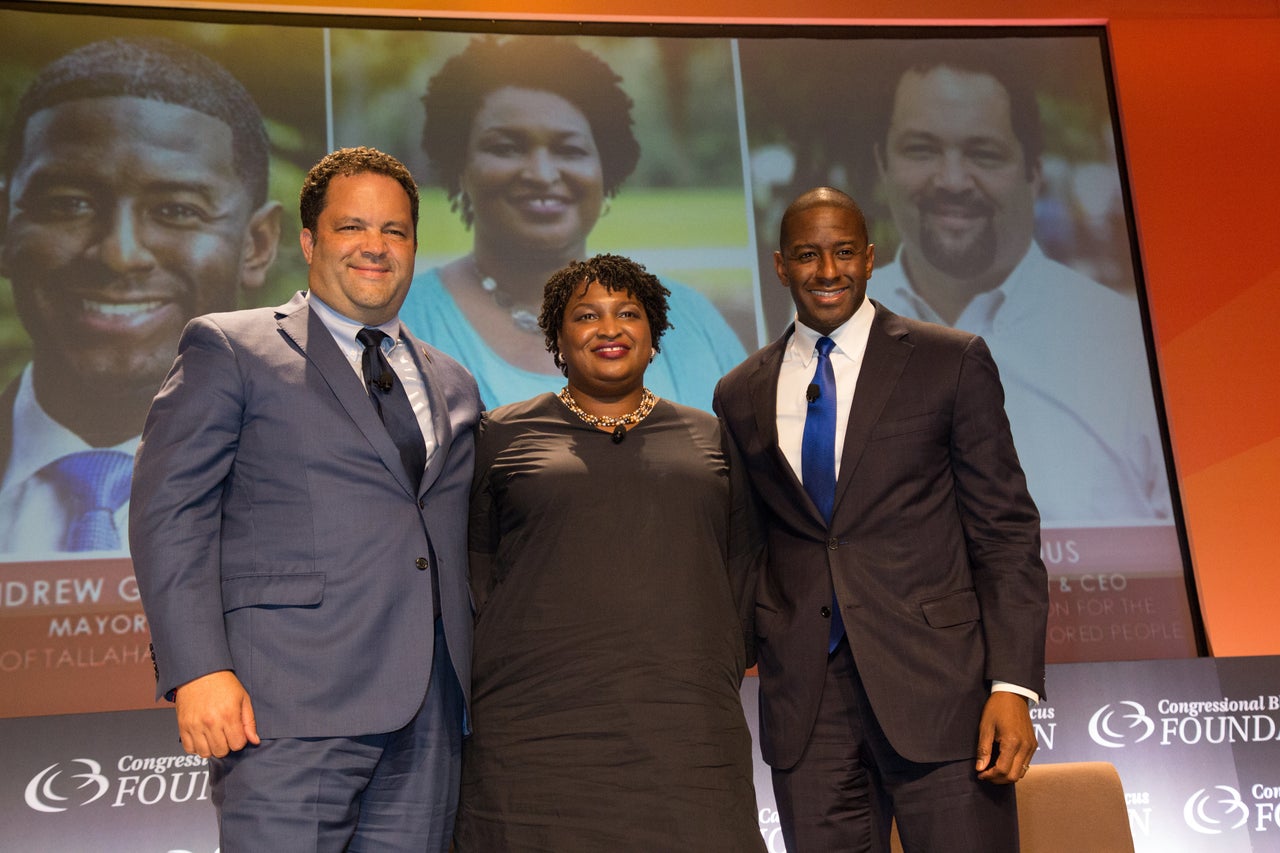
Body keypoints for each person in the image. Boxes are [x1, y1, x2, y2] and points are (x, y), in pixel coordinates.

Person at [130, 147, 481, 851]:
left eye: (395, 231)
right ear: (309, 241)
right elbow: (169, 511)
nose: (375, 247)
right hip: (284, 709)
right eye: (352, 227)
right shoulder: (231, 347)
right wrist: (199, 668)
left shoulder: (453, 381)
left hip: (432, 715)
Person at [715, 187, 1048, 853]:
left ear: (870, 258)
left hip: (943, 691)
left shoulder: (948, 360)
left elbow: (1004, 530)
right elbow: (747, 546)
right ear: (781, 266)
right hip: (808, 705)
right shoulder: (740, 390)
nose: (827, 271)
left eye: (843, 252)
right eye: (808, 255)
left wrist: (1013, 684)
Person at [459, 253, 764, 851]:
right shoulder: (498, 435)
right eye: (586, 315)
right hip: (533, 731)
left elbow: (742, 566)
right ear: (557, 338)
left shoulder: (713, 437)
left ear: (654, 337)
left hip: (685, 730)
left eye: (628, 312)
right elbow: (474, 568)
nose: (609, 328)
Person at [0, 37, 282, 556]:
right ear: (4, 225)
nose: (119, 255)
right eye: (69, 204)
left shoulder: (315, 488)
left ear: (256, 244)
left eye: (177, 210)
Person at [870, 44, 1169, 524]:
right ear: (883, 165)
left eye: (983, 153)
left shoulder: (1127, 346)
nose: (951, 180)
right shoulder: (821, 340)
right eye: (921, 149)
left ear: (1034, 172)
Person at [399, 34, 745, 411]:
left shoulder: (691, 320)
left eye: (570, 150)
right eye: (507, 147)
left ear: (605, 170)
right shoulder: (406, 325)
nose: (543, 174)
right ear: (460, 167)